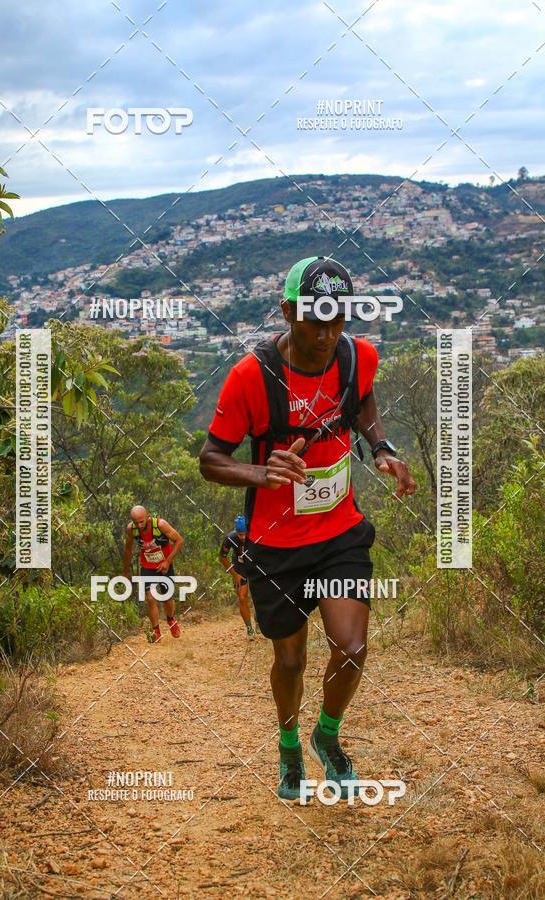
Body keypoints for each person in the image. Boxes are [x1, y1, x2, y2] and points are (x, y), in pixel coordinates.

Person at [199, 256, 417, 801]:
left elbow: (362, 398)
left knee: (351, 645)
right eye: (313, 321)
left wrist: (381, 447)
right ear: (287, 312)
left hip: (339, 532)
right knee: (290, 659)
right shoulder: (251, 377)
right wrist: (260, 470)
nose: (325, 334)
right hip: (276, 545)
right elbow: (210, 459)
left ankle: (328, 735)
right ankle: (289, 743)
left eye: (337, 320)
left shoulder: (355, 357)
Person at [122, 505, 184, 642]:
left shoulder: (160, 525)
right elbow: (128, 549)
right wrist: (125, 571)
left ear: (148, 516)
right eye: (136, 522)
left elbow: (179, 541)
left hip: (165, 564)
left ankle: (171, 619)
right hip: (147, 565)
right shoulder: (131, 529)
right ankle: (156, 631)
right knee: (150, 598)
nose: (139, 525)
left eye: (142, 521)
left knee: (167, 596)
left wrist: (167, 562)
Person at [220, 515, 256, 639]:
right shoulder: (230, 538)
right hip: (240, 567)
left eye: (245, 534)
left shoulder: (256, 535)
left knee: (261, 595)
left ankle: (259, 619)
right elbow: (222, 557)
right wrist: (234, 575)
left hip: (256, 566)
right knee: (241, 597)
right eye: (240, 534)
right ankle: (249, 629)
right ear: (236, 532)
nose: (243, 537)